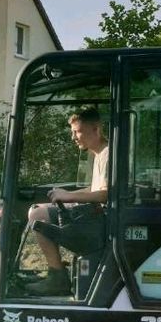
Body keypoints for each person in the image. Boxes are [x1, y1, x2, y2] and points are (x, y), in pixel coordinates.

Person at [26, 107, 108, 296]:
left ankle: (57, 278)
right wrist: (66, 193)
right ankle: (55, 274)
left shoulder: (107, 154)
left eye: (77, 131)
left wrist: (68, 196)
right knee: (37, 209)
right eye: (73, 132)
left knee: (37, 213)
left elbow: (104, 194)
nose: (74, 137)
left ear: (96, 129)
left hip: (97, 221)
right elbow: (94, 189)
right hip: (93, 214)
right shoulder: (99, 154)